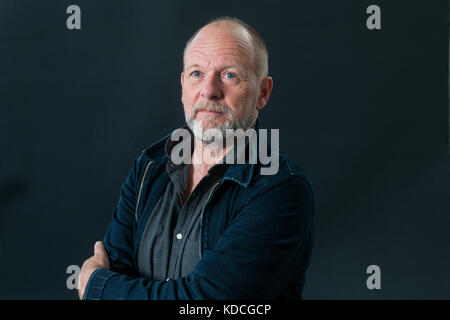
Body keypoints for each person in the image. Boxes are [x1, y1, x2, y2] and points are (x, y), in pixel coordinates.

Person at [78, 16, 315, 300]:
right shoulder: (149, 166)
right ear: (182, 87)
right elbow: (115, 266)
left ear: (262, 93)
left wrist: (97, 286)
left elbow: (205, 302)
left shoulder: (280, 188)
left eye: (229, 75)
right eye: (196, 74)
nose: (209, 90)